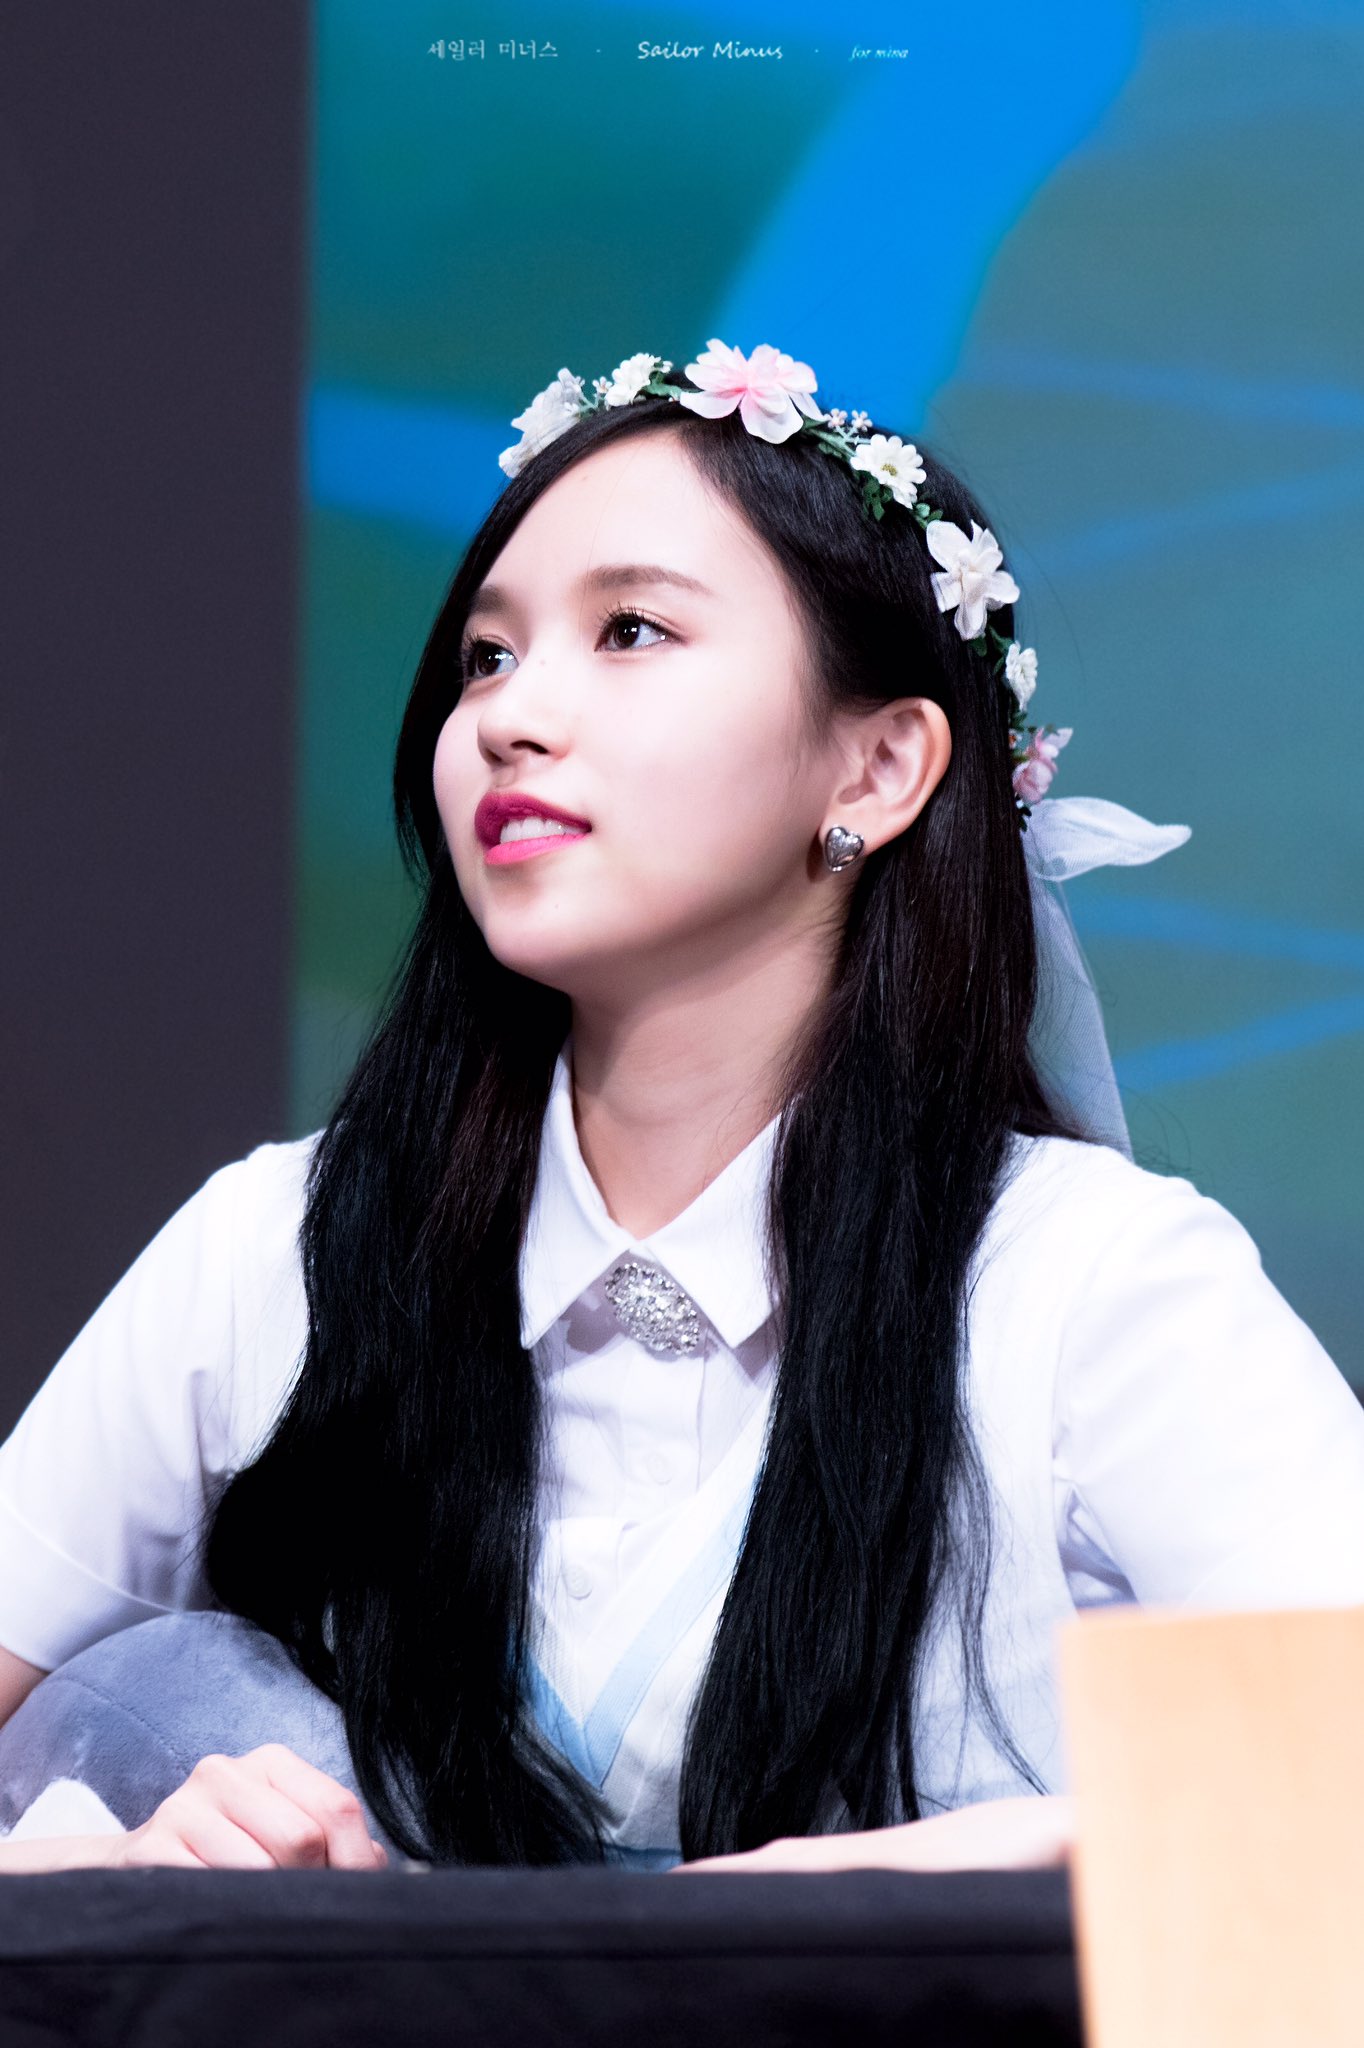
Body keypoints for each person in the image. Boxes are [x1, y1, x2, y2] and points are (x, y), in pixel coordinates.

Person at [2, 341, 1362, 1877]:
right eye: (486, 657)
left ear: (880, 765)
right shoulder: (277, 1251)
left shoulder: (1094, 1289)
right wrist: (104, 1869)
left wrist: (840, 1896)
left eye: (632, 630)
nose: (510, 717)